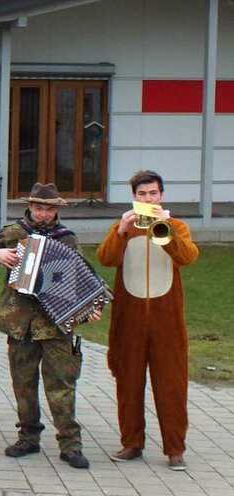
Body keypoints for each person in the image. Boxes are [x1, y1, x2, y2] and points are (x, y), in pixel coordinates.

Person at [0, 182, 96, 469]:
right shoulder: (15, 233)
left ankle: (70, 444)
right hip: (20, 324)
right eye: (39, 208)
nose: (43, 214)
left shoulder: (67, 239)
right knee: (23, 384)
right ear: (30, 207)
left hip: (55, 325)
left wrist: (89, 307)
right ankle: (28, 437)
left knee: (62, 384)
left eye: (49, 209)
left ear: (56, 211)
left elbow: (82, 278)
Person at [97, 170, 198, 471]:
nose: (148, 198)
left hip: (167, 322)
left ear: (161, 195)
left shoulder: (177, 226)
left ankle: (175, 448)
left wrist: (166, 229)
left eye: (153, 193)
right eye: (142, 194)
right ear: (134, 197)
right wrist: (120, 232)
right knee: (128, 383)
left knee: (171, 385)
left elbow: (187, 257)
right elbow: (105, 259)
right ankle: (132, 443)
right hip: (130, 319)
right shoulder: (123, 227)